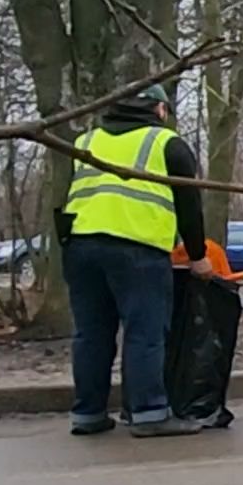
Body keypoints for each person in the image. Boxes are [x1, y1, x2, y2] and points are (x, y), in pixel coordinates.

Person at [61, 82, 210, 438]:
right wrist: (198, 256)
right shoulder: (166, 144)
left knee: (90, 334)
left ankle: (88, 413)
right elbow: (190, 206)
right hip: (137, 250)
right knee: (145, 333)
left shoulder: (86, 141)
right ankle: (148, 413)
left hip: (80, 246)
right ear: (159, 110)